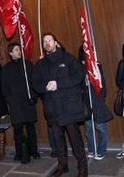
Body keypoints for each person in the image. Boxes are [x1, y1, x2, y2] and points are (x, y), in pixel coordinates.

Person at [32, 33, 88, 177]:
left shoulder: (67, 58)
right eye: (44, 41)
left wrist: (59, 84)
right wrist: (45, 86)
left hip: (69, 108)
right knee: (58, 141)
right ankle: (62, 166)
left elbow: (80, 74)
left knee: (76, 141)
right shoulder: (40, 64)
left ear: (56, 43)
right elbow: (35, 83)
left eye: (49, 40)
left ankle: (83, 168)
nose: (47, 43)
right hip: (52, 109)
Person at [2, 42, 39, 162]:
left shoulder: (28, 65)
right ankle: (19, 153)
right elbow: (4, 87)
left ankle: (34, 151)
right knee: (18, 130)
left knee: (31, 129)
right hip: (15, 104)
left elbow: (34, 82)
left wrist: (33, 97)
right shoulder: (6, 69)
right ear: (11, 53)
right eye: (16, 50)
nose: (19, 51)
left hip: (28, 102)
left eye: (19, 49)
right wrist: (9, 99)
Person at [78, 47, 113, 161]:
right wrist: (85, 82)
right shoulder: (78, 67)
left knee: (100, 127)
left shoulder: (96, 65)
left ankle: (101, 150)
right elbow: (76, 85)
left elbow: (102, 83)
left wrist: (101, 98)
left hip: (97, 101)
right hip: (85, 102)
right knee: (88, 129)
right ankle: (92, 149)